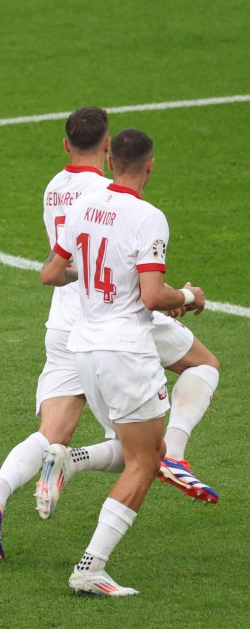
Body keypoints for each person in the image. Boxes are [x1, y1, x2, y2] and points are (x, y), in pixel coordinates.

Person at [0, 107, 218, 563]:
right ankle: (175, 456)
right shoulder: (108, 193)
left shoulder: (55, 189)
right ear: (108, 150)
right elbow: (132, 272)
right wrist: (183, 295)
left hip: (65, 327)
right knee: (201, 369)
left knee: (51, 434)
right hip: (112, 321)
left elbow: (58, 267)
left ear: (66, 145)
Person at [36, 127, 206, 596]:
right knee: (147, 460)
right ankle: (90, 567)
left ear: (111, 161)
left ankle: (69, 461)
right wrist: (189, 296)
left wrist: (93, 277)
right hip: (126, 352)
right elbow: (152, 296)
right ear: (150, 165)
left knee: (136, 450)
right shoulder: (149, 217)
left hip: (84, 348)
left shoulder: (81, 208)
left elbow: (51, 273)